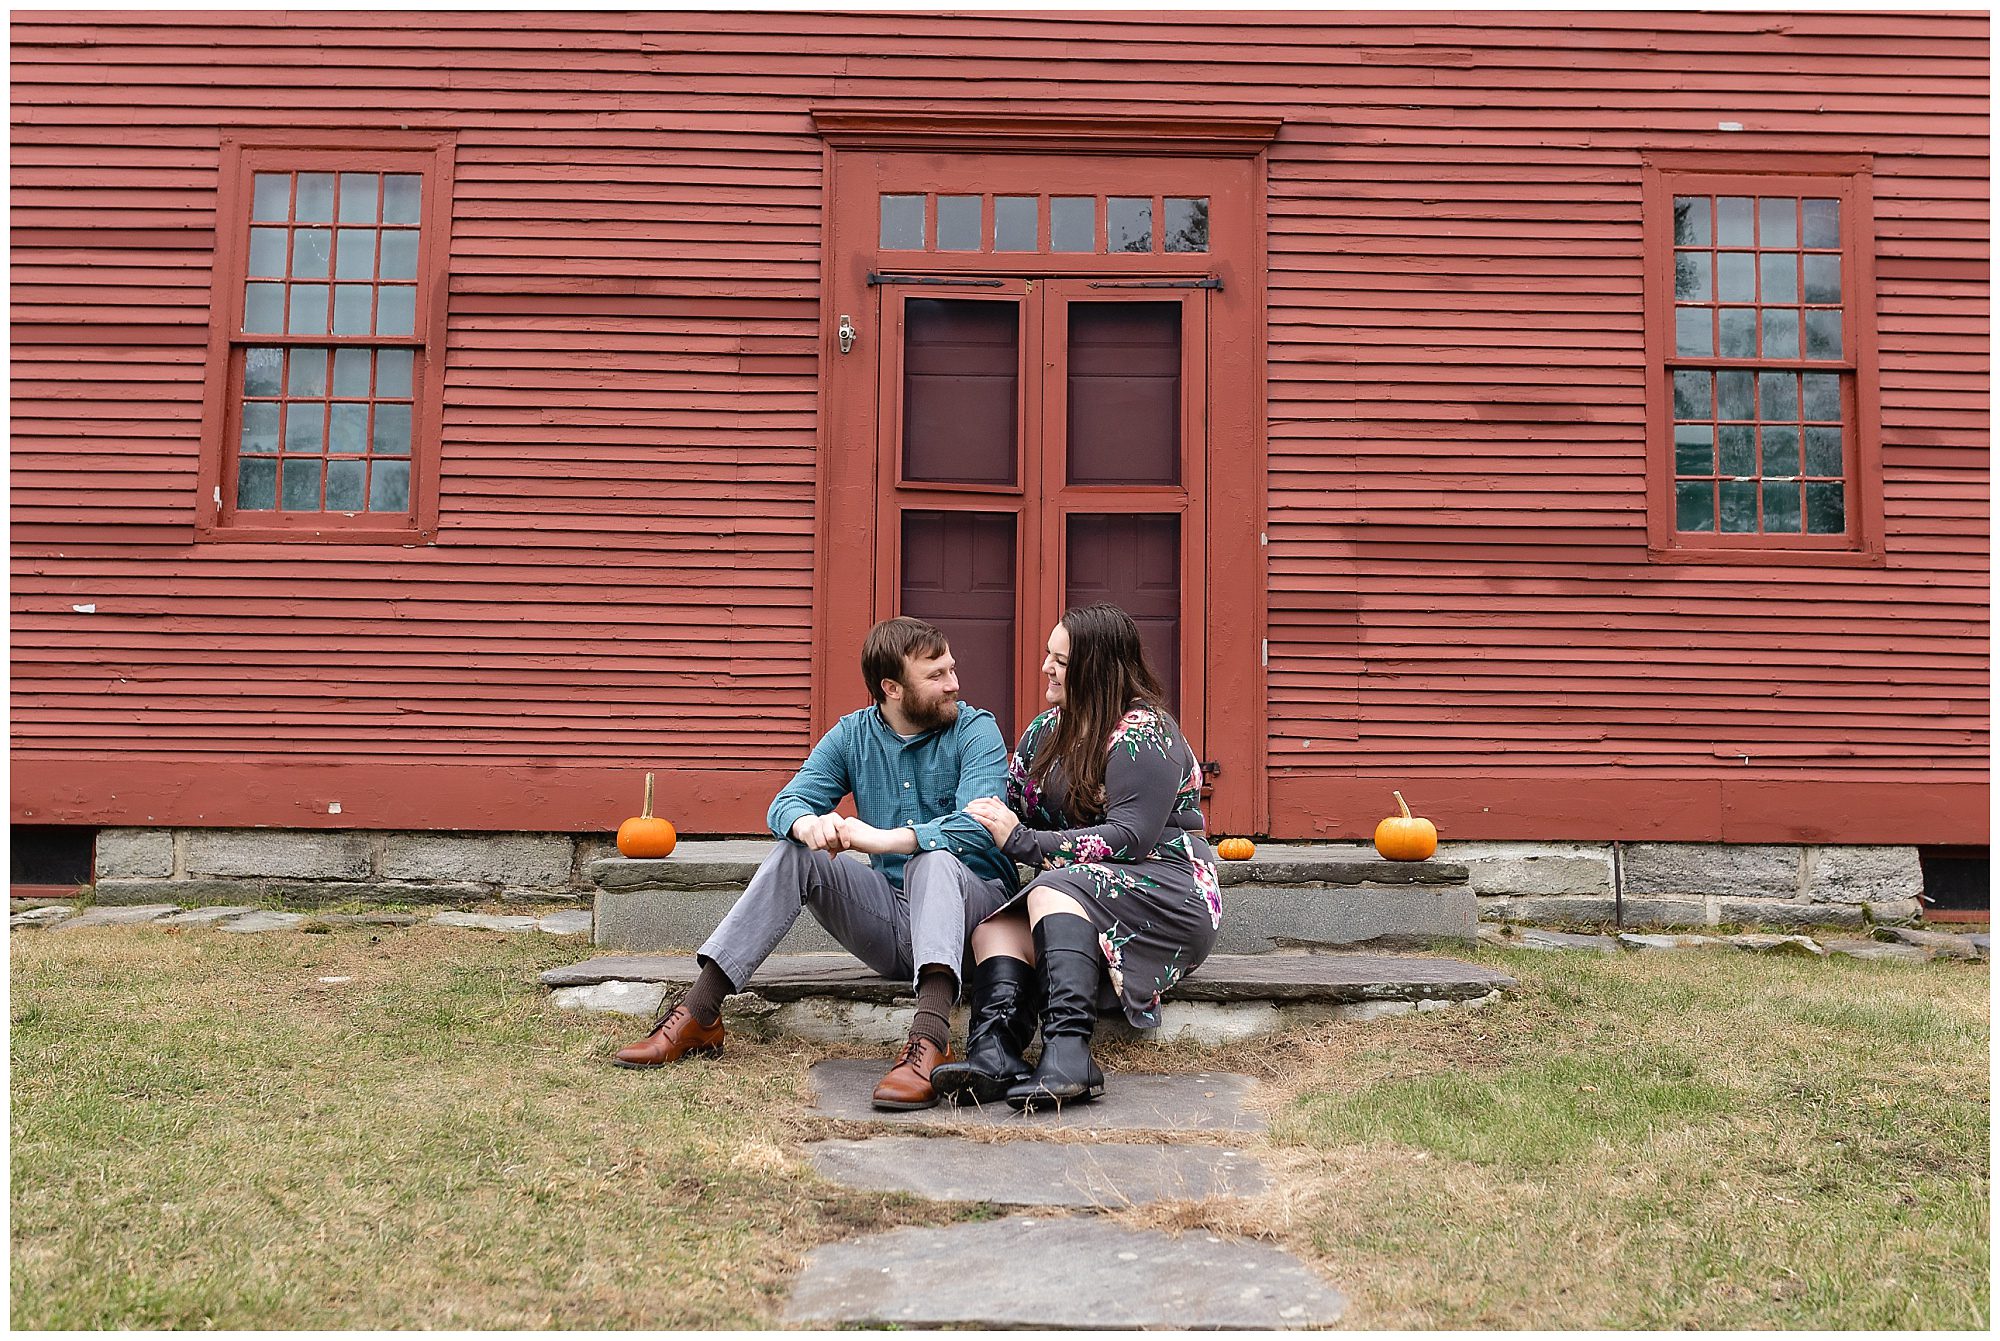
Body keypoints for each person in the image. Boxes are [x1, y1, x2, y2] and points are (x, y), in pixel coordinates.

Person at [611, 616, 1018, 1111]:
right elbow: (784, 805)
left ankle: (931, 1038)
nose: (954, 683)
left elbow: (979, 828)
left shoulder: (976, 730)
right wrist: (807, 825)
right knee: (793, 852)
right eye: (936, 676)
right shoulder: (852, 736)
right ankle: (700, 1013)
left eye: (951, 669)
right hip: (895, 923)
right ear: (891, 688)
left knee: (932, 861)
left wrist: (885, 840)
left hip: (979, 925)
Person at [937, 602, 1221, 1111]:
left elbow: (1130, 837)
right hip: (1077, 890)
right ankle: (995, 1049)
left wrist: (1024, 843)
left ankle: (1069, 1053)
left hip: (1166, 889)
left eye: (1061, 660)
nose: (1047, 667)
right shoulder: (1048, 730)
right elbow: (1010, 802)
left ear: (1098, 667)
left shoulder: (1144, 732)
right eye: (1049, 655)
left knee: (1048, 890)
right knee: (993, 927)